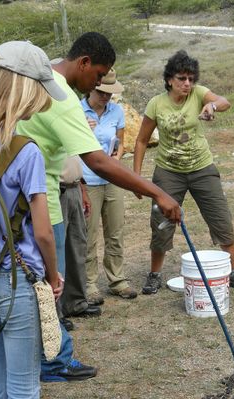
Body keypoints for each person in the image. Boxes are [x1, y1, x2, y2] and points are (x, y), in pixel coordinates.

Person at [17, 33, 180, 381]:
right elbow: (99, 162)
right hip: (42, 203)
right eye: (98, 75)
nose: (97, 83)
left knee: (37, 287)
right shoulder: (60, 96)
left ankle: (49, 356)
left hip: (17, 203)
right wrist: (157, 193)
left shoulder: (35, 76)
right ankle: (52, 362)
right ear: (84, 62)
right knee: (50, 286)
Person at [0, 41, 80, 399]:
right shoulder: (26, 151)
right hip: (17, 279)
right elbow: (43, 232)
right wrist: (54, 273)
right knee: (24, 390)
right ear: (25, 91)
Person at [133, 50, 234, 294]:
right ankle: (155, 274)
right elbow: (141, 141)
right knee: (161, 224)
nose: (187, 83)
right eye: (181, 78)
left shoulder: (199, 94)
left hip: (202, 168)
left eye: (191, 78)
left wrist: (211, 105)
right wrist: (137, 178)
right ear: (170, 79)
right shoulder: (156, 103)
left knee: (221, 218)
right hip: (168, 172)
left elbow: (225, 102)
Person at [81, 68, 137, 303]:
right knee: (89, 235)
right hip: (87, 180)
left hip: (112, 178)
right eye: (102, 92)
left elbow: (121, 143)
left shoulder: (116, 111)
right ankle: (89, 284)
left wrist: (117, 156)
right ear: (91, 88)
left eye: (110, 93)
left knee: (115, 231)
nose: (106, 97)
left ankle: (117, 280)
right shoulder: (76, 110)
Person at [58, 155, 102, 327]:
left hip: (74, 186)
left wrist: (82, 189)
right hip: (56, 190)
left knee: (77, 245)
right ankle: (56, 312)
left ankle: (76, 303)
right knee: (57, 249)